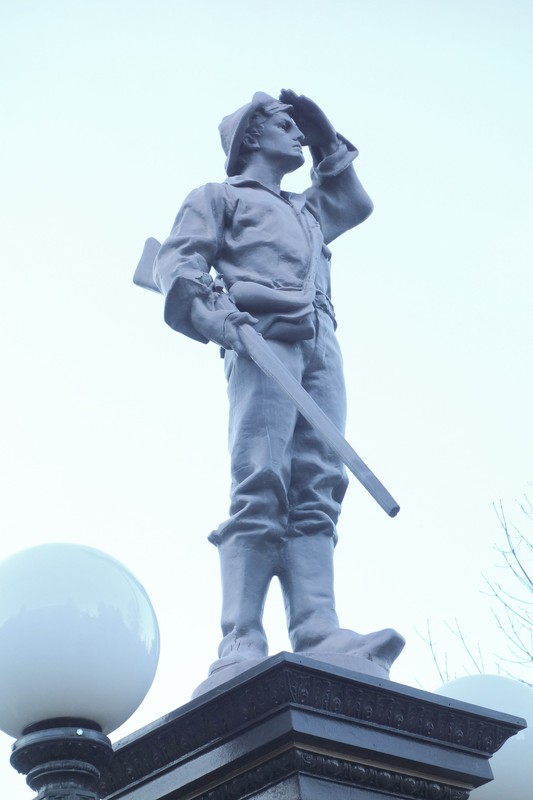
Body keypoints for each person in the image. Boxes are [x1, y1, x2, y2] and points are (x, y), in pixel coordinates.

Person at [151, 90, 404, 683]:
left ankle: (317, 626)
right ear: (253, 137)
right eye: (287, 127)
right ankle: (241, 634)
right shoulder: (219, 197)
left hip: (321, 342)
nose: (296, 137)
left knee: (319, 479)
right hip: (261, 337)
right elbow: (178, 267)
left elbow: (354, 201)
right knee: (262, 475)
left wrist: (325, 136)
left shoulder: (308, 210)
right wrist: (217, 323)